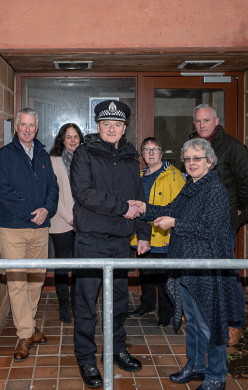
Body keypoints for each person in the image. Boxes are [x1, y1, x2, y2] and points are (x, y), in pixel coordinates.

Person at [129, 138, 240, 390]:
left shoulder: (215, 189)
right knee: (193, 319)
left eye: (197, 158)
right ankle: (196, 365)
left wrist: (175, 224)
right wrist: (144, 208)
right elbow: (169, 208)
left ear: (209, 161)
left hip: (206, 266)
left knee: (210, 321)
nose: (191, 163)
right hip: (187, 265)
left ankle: (216, 375)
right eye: (187, 159)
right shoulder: (191, 186)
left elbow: (209, 230)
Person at [70, 100, 152, 389]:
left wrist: (143, 233)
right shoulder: (84, 153)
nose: (112, 129)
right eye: (107, 124)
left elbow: (138, 195)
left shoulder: (131, 157)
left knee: (118, 301)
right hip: (91, 239)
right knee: (87, 302)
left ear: (124, 128)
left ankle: (117, 348)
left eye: (117, 125)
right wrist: (122, 208)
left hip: (120, 241)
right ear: (98, 126)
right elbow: (83, 193)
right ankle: (86, 357)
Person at [190, 103, 248, 345]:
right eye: (198, 121)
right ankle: (209, 319)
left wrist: (238, 205)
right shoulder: (195, 145)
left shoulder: (231, 146)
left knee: (226, 274)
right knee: (204, 274)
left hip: (223, 224)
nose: (202, 125)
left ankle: (234, 324)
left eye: (206, 121)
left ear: (216, 120)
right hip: (200, 222)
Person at [0, 108, 59, 361]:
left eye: (32, 125)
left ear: (37, 126)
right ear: (16, 127)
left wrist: (47, 209)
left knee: (36, 280)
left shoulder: (43, 154)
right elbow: (4, 191)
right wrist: (32, 212)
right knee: (17, 282)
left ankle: (29, 328)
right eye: (23, 125)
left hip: (40, 228)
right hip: (13, 228)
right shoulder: (5, 155)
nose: (28, 129)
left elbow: (52, 187)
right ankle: (24, 335)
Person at [128, 137, 186, 327]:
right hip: (143, 234)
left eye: (155, 149)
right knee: (145, 272)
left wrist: (173, 235)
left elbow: (179, 208)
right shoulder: (139, 174)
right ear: (142, 154)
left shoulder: (174, 175)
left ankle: (166, 312)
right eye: (147, 150)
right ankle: (146, 305)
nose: (151, 153)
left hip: (163, 235)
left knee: (163, 276)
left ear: (162, 153)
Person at [49, 123, 84, 323]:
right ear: (62, 139)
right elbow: (52, 193)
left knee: (80, 265)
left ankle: (76, 302)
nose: (72, 140)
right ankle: (63, 304)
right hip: (61, 220)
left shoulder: (86, 159)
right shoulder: (52, 160)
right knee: (62, 264)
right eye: (68, 137)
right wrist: (69, 217)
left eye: (76, 136)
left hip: (83, 221)